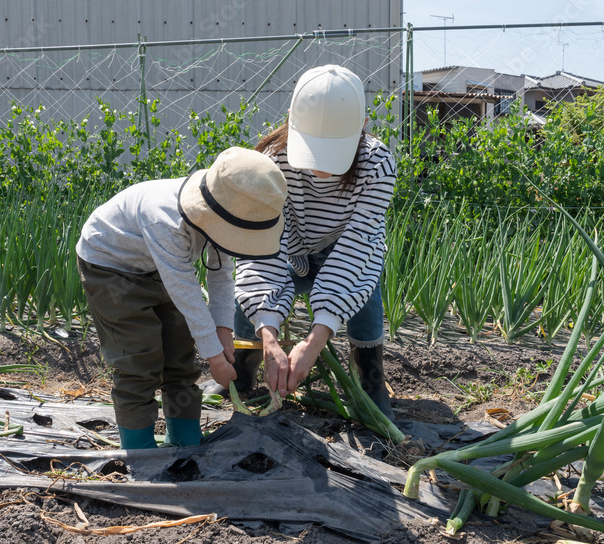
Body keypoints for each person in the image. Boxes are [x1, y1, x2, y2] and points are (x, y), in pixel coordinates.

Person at [76, 147, 287, 449]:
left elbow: (220, 274)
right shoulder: (165, 220)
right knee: (139, 359)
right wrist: (215, 358)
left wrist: (223, 331)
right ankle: (138, 449)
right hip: (111, 267)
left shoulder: (226, 208)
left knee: (180, 356)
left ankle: (185, 438)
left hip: (159, 265)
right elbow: (186, 292)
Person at [231, 65, 397, 420]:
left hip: (348, 246)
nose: (321, 167)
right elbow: (261, 250)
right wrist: (270, 336)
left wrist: (313, 343)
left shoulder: (377, 165)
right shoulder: (272, 161)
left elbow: (356, 249)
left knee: (365, 297)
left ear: (363, 125)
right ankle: (241, 373)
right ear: (291, 118)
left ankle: (371, 381)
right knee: (246, 301)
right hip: (291, 248)